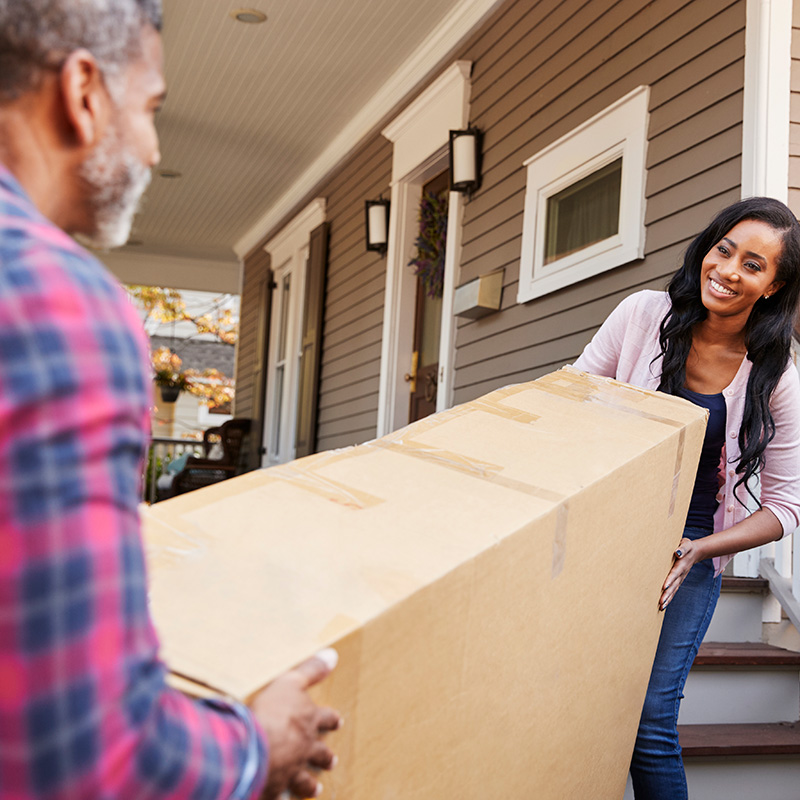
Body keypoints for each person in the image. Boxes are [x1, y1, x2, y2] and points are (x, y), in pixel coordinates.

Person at [0, 1, 340, 797]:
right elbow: (87, 751)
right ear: (84, 92)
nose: (153, 148)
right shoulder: (55, 301)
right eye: (149, 108)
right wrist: (258, 744)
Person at [573, 196, 800, 799]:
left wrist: (700, 550)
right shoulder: (643, 314)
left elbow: (786, 507)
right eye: (724, 249)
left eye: (753, 265)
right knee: (579, 708)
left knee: (649, 723)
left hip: (688, 554)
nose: (727, 270)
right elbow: (573, 399)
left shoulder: (775, 376)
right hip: (604, 537)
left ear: (773, 287)